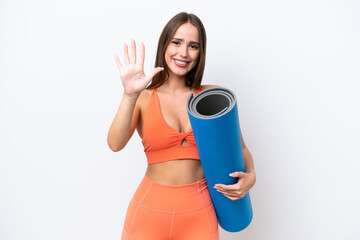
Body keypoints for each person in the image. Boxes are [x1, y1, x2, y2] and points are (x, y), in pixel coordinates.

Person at [107, 12, 256, 240]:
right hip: (148, 213)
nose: (183, 53)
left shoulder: (211, 97)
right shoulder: (143, 98)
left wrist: (252, 176)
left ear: (200, 52)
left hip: (199, 215)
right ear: (164, 44)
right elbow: (115, 144)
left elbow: (240, 149)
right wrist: (129, 95)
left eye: (193, 46)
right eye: (176, 42)